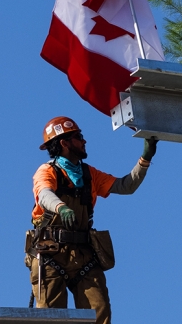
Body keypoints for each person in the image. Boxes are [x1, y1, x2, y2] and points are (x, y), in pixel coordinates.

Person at [28, 116, 158, 324]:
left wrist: (145, 159)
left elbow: (126, 186)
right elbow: (44, 194)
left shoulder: (89, 174)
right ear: (64, 143)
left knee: (99, 315)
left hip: (83, 253)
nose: (84, 141)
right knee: (49, 318)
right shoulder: (48, 170)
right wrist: (61, 207)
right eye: (79, 137)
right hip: (52, 252)